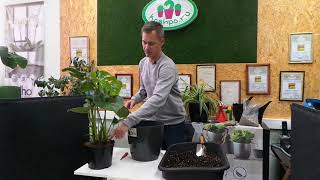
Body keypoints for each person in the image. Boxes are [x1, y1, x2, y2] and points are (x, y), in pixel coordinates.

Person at [113, 21, 186, 149]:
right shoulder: (142, 63)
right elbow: (144, 90)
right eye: (144, 42)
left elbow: (158, 99)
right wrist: (135, 99)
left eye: (151, 43)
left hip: (173, 125)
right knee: (153, 162)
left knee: (173, 163)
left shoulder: (167, 67)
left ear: (162, 41)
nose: (146, 47)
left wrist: (128, 122)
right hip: (154, 122)